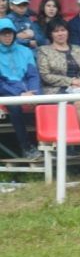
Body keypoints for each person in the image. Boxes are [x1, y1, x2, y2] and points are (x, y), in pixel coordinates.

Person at [36, 18, 80, 145]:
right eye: (56, 31)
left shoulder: (78, 49)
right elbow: (45, 75)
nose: (61, 34)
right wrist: (71, 81)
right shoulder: (44, 51)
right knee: (78, 102)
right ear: (50, 34)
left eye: (63, 30)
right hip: (55, 89)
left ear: (68, 32)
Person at [0, 17, 41, 159]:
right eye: (3, 33)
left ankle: (50, 145)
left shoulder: (25, 51)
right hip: (7, 91)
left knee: (46, 103)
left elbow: (33, 75)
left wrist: (33, 93)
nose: (7, 36)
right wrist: (20, 94)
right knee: (15, 107)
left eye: (9, 33)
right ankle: (26, 147)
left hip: (28, 90)